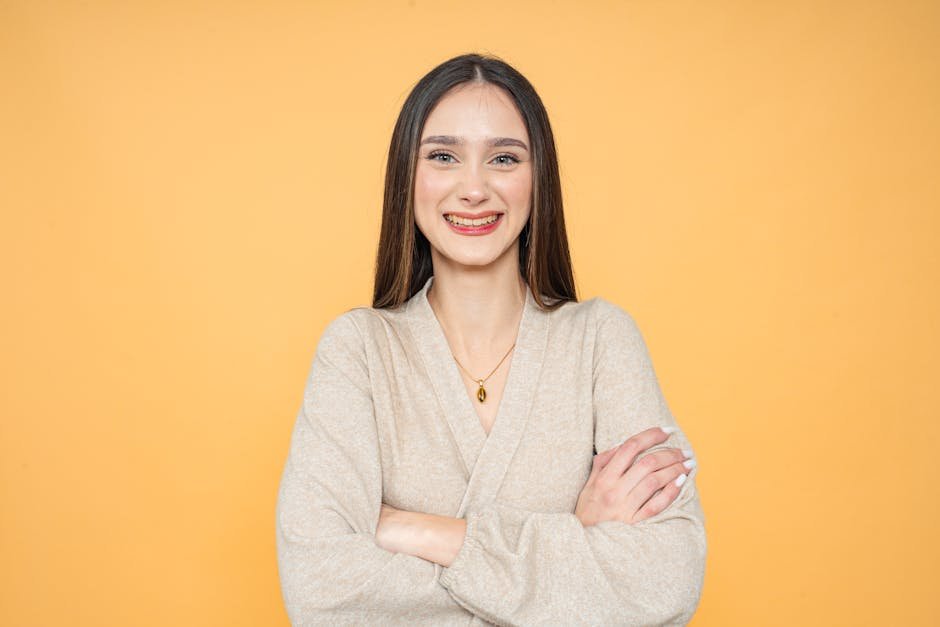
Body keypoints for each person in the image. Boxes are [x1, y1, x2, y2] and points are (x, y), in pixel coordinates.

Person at [275, 52, 706, 626]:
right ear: (408, 175)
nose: (473, 188)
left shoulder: (601, 340)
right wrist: (573, 546)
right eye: (444, 156)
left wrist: (412, 528)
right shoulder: (359, 351)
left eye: (503, 158)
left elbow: (666, 578)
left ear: (538, 179)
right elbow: (318, 592)